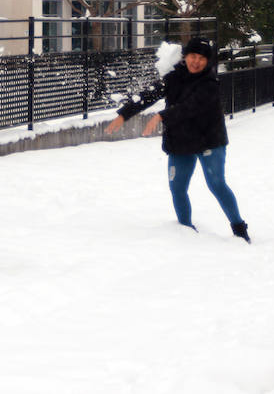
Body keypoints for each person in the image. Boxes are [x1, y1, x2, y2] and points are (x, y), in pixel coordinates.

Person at [105, 36, 250, 242]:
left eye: (201, 58)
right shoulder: (174, 77)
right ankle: (186, 232)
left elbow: (191, 107)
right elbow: (148, 95)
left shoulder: (210, 83)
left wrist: (161, 116)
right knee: (177, 187)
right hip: (181, 141)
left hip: (209, 140)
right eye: (192, 56)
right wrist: (124, 114)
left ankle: (239, 228)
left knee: (216, 184)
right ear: (185, 57)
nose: (196, 61)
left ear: (208, 61)